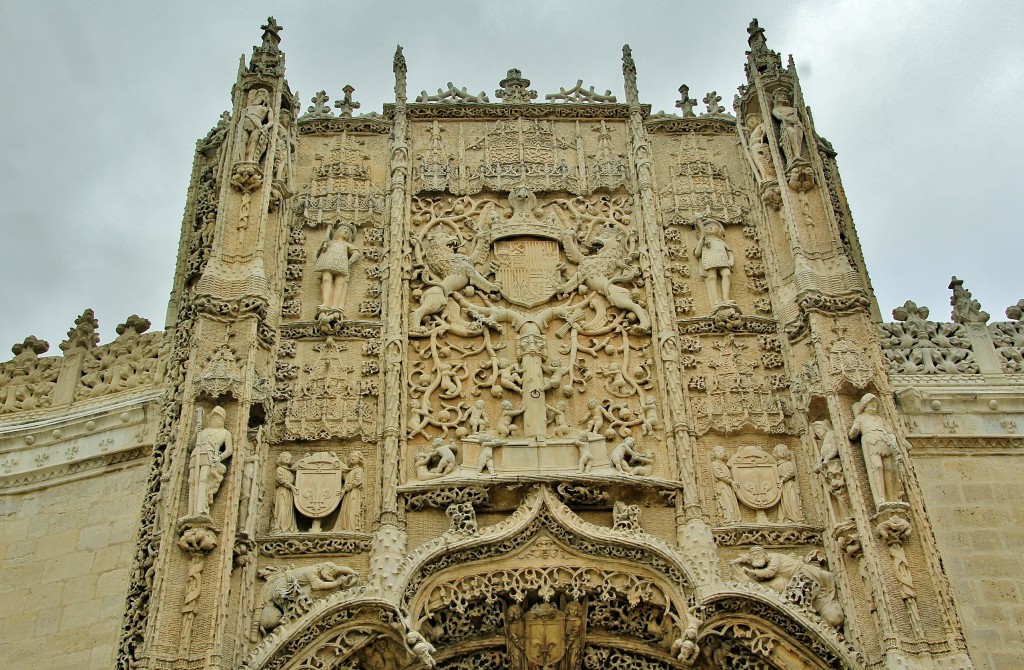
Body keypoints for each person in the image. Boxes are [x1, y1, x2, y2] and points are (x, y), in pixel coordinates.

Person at [849, 393, 904, 507]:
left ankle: (892, 497)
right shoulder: (861, 418)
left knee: (889, 469)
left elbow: (890, 433)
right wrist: (854, 429)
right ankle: (880, 498)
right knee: (877, 467)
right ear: (864, 405)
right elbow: (852, 436)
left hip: (884, 442)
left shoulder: (880, 419)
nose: (874, 406)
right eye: (871, 403)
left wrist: (895, 446)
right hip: (870, 442)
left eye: (875, 404)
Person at [186, 406, 233, 518]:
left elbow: (229, 450)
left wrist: (219, 458)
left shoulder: (225, 433)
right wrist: (196, 433)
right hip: (196, 455)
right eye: (214, 416)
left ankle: (201, 509)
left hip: (209, 455)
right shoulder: (203, 431)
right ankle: (190, 511)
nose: (216, 419)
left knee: (203, 480)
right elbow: (190, 446)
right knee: (192, 481)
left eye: (218, 417)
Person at [314, 222, 363, 311]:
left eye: (347, 231)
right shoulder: (330, 242)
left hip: (341, 264)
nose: (345, 231)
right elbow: (319, 255)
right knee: (326, 279)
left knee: (339, 283)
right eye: (343, 229)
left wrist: (349, 263)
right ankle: (326, 303)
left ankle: (336, 305)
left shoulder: (346, 244)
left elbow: (356, 253)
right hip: (328, 262)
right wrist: (323, 246)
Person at [693, 216, 734, 306]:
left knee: (727, 274)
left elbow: (729, 252)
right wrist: (701, 240)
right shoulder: (704, 242)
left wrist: (731, 261)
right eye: (707, 227)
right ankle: (715, 301)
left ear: (719, 230)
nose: (710, 227)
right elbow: (697, 253)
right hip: (710, 260)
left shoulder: (720, 241)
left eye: (713, 226)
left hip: (722, 260)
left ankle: (726, 299)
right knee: (712, 277)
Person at [333, 451, 364, 531]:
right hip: (348, 494)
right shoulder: (350, 471)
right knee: (346, 510)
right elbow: (345, 477)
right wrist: (335, 458)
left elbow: (358, 481)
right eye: (351, 457)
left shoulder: (359, 470)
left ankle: (352, 528)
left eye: (355, 457)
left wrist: (345, 489)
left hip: (354, 493)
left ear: (359, 459)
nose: (353, 458)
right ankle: (345, 527)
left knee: (352, 510)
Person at [272, 451, 298, 533]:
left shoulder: (290, 471)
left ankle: (288, 527)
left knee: (288, 509)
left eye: (289, 458)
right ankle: (280, 527)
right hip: (282, 491)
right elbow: (280, 479)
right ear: (280, 459)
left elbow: (296, 481)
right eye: (285, 457)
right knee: (282, 508)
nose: (287, 459)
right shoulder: (279, 469)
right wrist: (290, 485)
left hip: (290, 493)